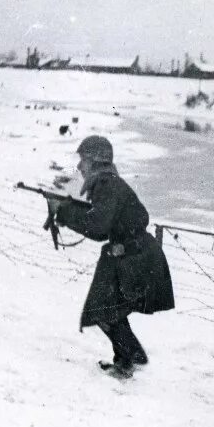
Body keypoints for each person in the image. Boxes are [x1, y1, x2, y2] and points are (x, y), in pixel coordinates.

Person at [50, 135, 174, 378]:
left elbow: (97, 227)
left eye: (83, 160)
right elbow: (102, 218)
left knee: (104, 308)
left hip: (134, 256)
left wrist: (63, 211)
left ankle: (129, 361)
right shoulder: (108, 184)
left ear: (95, 161)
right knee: (107, 308)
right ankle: (129, 358)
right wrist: (67, 207)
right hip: (130, 253)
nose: (79, 167)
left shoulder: (106, 185)